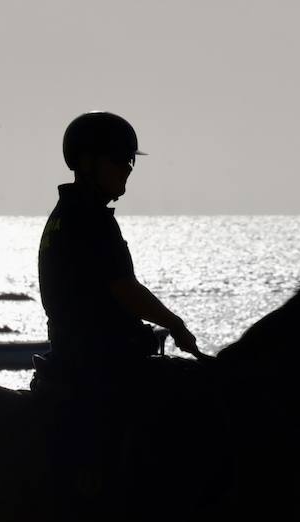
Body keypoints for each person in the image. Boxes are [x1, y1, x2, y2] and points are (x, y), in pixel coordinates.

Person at [38, 111, 201, 386]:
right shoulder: (91, 219)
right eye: (119, 159)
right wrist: (175, 324)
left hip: (73, 357)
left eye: (130, 160)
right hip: (103, 365)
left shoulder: (62, 215)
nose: (127, 168)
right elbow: (126, 289)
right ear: (87, 162)